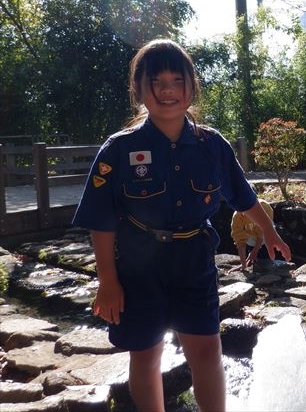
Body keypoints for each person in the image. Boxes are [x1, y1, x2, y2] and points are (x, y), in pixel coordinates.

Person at [72, 38, 291, 412]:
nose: (167, 90)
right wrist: (107, 282)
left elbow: (242, 194)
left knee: (207, 349)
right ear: (138, 89)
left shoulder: (212, 146)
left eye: (177, 80)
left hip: (194, 262)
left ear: (192, 86)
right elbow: (102, 221)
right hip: (139, 266)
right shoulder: (119, 150)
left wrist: (268, 231)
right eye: (156, 81)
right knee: (146, 354)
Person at [229, 197, 274, 271]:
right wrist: (243, 265)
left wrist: (254, 252)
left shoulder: (264, 207)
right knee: (251, 251)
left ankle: (265, 256)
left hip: (266, 229)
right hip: (250, 233)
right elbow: (239, 240)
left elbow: (262, 232)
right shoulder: (237, 216)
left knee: (264, 251)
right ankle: (252, 255)